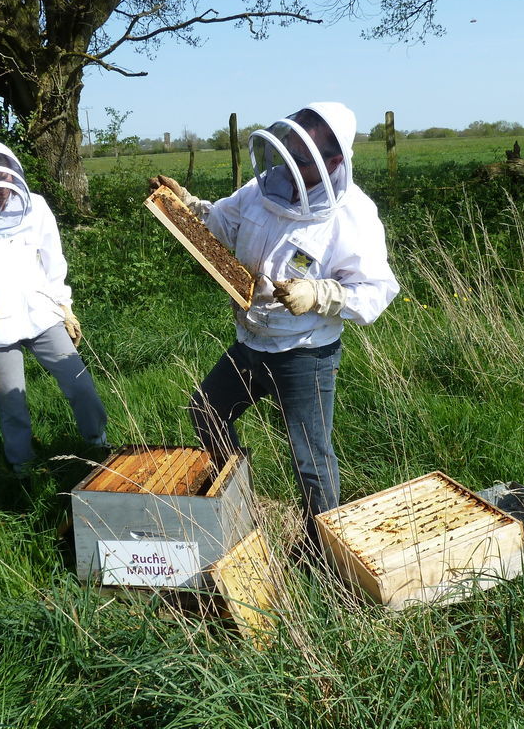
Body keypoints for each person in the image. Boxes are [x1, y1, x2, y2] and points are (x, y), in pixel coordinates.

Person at [151, 102, 399, 549]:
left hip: (305, 353)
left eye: (301, 159)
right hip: (251, 341)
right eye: (286, 152)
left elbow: (378, 290)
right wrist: (188, 207)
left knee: (310, 458)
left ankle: (323, 552)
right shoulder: (260, 189)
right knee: (206, 412)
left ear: (334, 161)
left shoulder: (353, 215)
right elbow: (223, 225)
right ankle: (237, 503)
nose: (287, 165)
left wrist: (322, 294)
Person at [0, 135, 107, 477]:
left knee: (80, 385)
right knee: (12, 402)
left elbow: (53, 261)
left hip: (41, 314)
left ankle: (98, 444)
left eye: (3, 176)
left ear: (12, 173)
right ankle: (22, 467)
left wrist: (65, 308)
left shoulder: (36, 207)